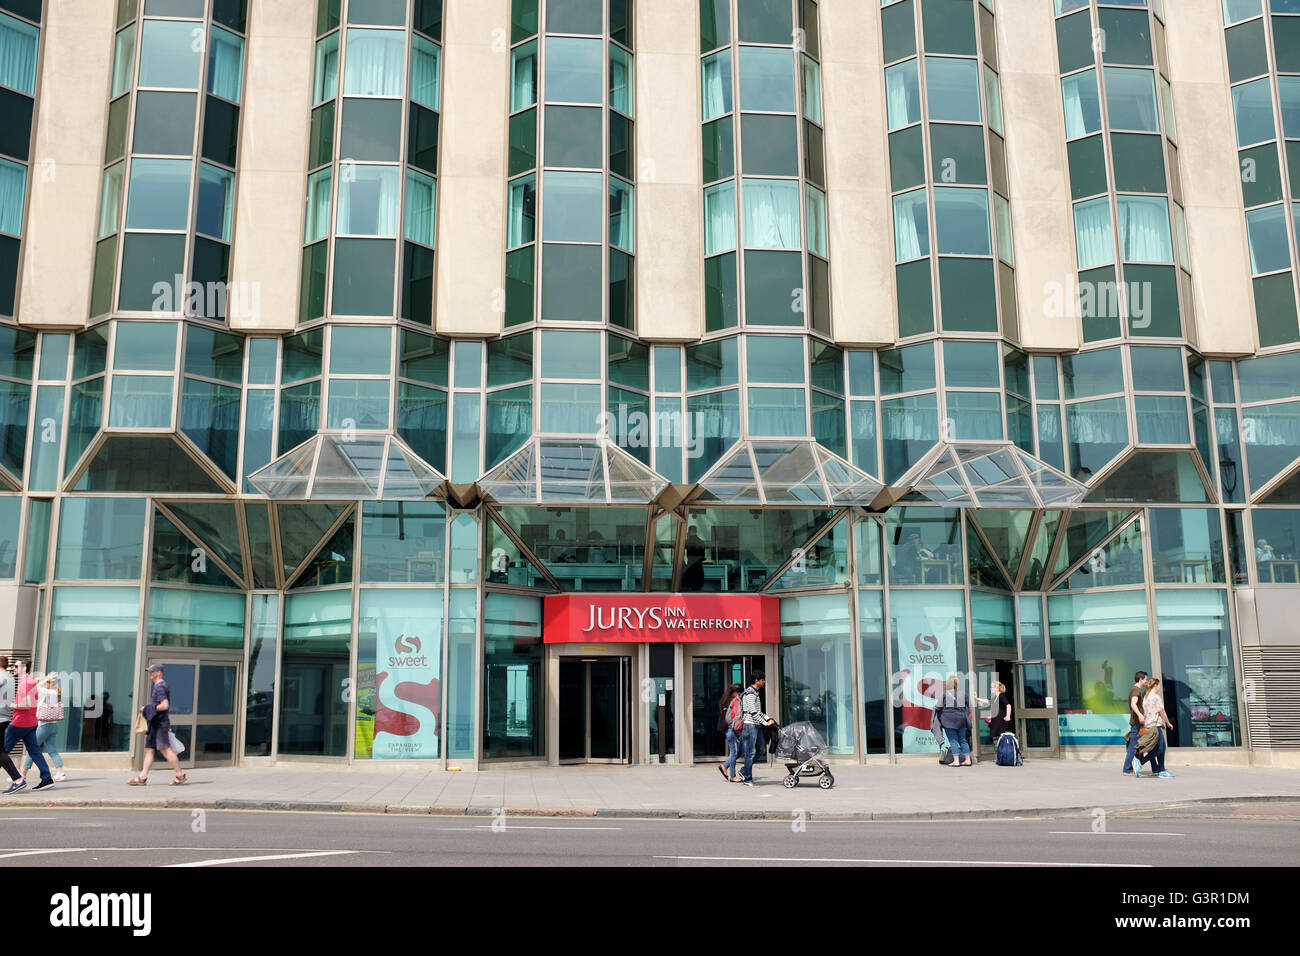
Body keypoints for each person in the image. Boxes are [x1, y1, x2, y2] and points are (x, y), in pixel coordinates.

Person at [128, 664, 186, 786]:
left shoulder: (160, 687)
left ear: (159, 672)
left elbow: (165, 705)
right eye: (149, 671)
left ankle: (180, 775)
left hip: (159, 724)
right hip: (156, 724)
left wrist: (147, 708)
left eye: (152, 672)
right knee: (149, 750)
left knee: (165, 750)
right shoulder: (158, 686)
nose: (150, 674)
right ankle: (142, 777)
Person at [2, 659, 54, 793]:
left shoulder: (24, 683)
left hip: (20, 723)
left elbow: (26, 705)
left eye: (16, 666)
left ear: (24, 668)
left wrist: (10, 705)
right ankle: (47, 778)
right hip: (31, 723)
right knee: (35, 751)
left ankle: (18, 780)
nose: (13, 668)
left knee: (2, 751)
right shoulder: (29, 680)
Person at [22, 672, 66, 783]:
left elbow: (34, 689)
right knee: (52, 750)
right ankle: (60, 772)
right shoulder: (54, 693)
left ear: (49, 683)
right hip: (52, 726)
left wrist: (42, 680)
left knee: (32, 748)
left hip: (44, 726)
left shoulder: (51, 692)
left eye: (47, 682)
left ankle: (22, 774)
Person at [738, 671, 776, 787]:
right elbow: (753, 713)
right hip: (750, 726)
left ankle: (744, 770)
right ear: (757, 681)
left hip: (756, 725)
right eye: (762, 680)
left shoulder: (755, 693)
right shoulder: (749, 693)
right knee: (750, 753)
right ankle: (747, 779)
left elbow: (758, 712)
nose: (764, 682)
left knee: (761, 750)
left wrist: (768, 718)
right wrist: (766, 723)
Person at [936, 676, 983, 767]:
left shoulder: (944, 694)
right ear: (957, 684)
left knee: (953, 740)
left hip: (948, 720)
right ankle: (967, 760)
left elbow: (938, 707)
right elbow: (971, 706)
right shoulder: (963, 693)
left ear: (948, 684)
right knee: (963, 740)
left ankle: (956, 761)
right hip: (961, 719)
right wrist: (969, 715)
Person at [1136, 676, 1175, 779]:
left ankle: (1158, 770)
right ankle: (1141, 763)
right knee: (1160, 748)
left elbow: (1149, 712)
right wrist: (1167, 723)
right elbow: (1162, 712)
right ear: (1155, 685)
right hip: (1155, 726)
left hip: (1149, 725)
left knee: (1157, 748)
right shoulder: (1156, 697)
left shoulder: (1146, 697)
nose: (1159, 688)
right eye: (1158, 686)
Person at [1122, 669, 1148, 775]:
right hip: (1136, 723)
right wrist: (1140, 715)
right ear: (1141, 679)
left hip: (1137, 723)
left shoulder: (1136, 690)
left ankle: (1130, 768)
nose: (1147, 681)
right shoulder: (1136, 690)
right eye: (1146, 679)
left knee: (1134, 746)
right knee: (1133, 746)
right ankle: (1127, 769)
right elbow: (1133, 704)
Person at [717, 683, 743, 782]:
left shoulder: (724, 699)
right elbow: (732, 717)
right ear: (736, 692)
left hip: (728, 729)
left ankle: (724, 766)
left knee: (739, 751)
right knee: (734, 752)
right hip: (731, 729)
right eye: (740, 693)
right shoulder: (733, 701)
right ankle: (732, 776)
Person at [682, 526, 706, 592]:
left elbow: (682, 552)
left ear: (690, 531)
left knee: (690, 586)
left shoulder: (688, 541)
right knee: (698, 587)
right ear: (696, 531)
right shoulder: (701, 542)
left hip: (691, 565)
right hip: (699, 567)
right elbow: (703, 555)